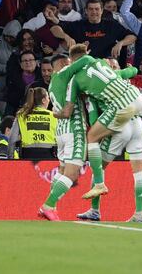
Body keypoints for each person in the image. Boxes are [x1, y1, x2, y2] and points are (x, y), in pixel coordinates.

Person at [61, 44, 142, 200]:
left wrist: (58, 112)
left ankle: (99, 185)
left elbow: (77, 112)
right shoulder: (99, 63)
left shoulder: (76, 80)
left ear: (72, 61)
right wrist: (132, 70)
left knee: (92, 138)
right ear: (86, 53)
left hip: (120, 111)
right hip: (134, 97)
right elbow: (128, 72)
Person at [77, 61, 142, 222]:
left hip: (119, 127)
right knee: (139, 171)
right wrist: (127, 68)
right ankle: (139, 214)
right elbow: (134, 70)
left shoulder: (94, 90)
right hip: (137, 124)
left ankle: (94, 210)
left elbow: (94, 120)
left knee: (98, 168)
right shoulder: (119, 77)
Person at [38, 54, 86, 221]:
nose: (71, 65)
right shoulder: (64, 74)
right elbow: (86, 61)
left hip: (61, 131)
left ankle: (52, 207)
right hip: (74, 129)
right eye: (69, 62)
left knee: (63, 170)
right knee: (72, 174)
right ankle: (48, 205)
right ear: (62, 63)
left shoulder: (52, 83)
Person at [8, 87, 57, 159]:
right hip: (48, 156)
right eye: (48, 98)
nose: (49, 100)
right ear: (43, 100)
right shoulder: (54, 116)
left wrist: (10, 158)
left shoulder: (22, 116)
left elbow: (12, 139)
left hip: (27, 156)